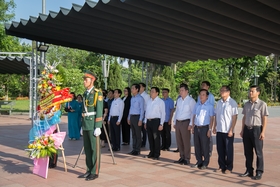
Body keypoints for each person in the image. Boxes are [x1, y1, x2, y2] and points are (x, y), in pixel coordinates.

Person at [78, 70, 103, 181]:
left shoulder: (98, 93)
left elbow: (99, 110)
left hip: (93, 124)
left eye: (86, 80)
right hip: (86, 123)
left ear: (92, 80)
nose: (84, 82)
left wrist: (98, 126)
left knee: (94, 149)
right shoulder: (85, 93)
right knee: (87, 149)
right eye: (84, 80)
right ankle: (88, 170)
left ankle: (95, 171)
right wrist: (81, 126)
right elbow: (84, 110)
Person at [240, 85, 269, 180]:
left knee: (258, 152)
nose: (250, 93)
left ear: (258, 92)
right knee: (248, 152)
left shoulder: (262, 104)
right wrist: (242, 129)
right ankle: (249, 170)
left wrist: (263, 132)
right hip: (247, 130)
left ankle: (259, 172)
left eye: (252, 91)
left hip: (257, 130)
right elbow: (244, 118)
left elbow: (264, 119)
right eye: (250, 91)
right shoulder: (247, 104)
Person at [213, 86, 238, 174]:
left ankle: (229, 167)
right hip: (220, 129)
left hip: (228, 130)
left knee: (228, 150)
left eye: (224, 90)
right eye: (221, 90)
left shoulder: (232, 103)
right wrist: (214, 127)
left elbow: (234, 117)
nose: (222, 92)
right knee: (220, 149)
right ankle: (221, 166)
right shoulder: (218, 103)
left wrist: (231, 129)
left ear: (228, 92)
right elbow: (216, 116)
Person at [191, 89, 215, 170]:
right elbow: (194, 115)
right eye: (200, 94)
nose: (201, 96)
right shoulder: (197, 105)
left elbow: (212, 118)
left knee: (205, 146)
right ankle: (199, 161)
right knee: (197, 146)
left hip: (205, 128)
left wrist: (210, 129)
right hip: (197, 127)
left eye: (203, 95)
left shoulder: (210, 106)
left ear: (207, 96)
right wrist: (193, 126)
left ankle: (205, 162)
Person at [173, 83, 196, 165]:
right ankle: (182, 157)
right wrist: (174, 121)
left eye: (182, 90)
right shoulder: (179, 100)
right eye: (180, 90)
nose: (181, 92)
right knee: (179, 141)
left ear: (187, 91)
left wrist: (191, 124)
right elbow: (177, 112)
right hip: (178, 122)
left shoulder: (191, 101)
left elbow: (193, 113)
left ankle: (187, 158)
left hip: (186, 122)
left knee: (186, 141)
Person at [144, 87, 165, 160]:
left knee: (156, 138)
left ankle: (156, 154)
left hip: (156, 121)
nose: (151, 93)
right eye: (150, 91)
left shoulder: (160, 102)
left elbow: (163, 113)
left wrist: (161, 124)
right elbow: (146, 112)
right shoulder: (149, 101)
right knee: (150, 138)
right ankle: (151, 152)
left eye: (153, 91)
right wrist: (145, 122)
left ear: (157, 93)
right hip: (149, 121)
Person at [127, 83, 144, 156]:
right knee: (133, 134)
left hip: (137, 117)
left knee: (138, 134)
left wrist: (140, 119)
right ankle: (134, 149)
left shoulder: (140, 98)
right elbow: (131, 108)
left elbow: (142, 110)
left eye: (133, 88)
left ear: (137, 89)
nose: (132, 90)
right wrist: (128, 117)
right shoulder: (132, 98)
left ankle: (138, 149)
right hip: (132, 116)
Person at [139, 83, 150, 147]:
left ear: (144, 88)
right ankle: (139, 141)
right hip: (138, 113)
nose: (139, 88)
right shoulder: (137, 95)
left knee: (143, 129)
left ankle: (143, 142)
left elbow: (147, 106)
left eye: (140, 87)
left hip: (144, 113)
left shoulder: (146, 96)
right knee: (138, 129)